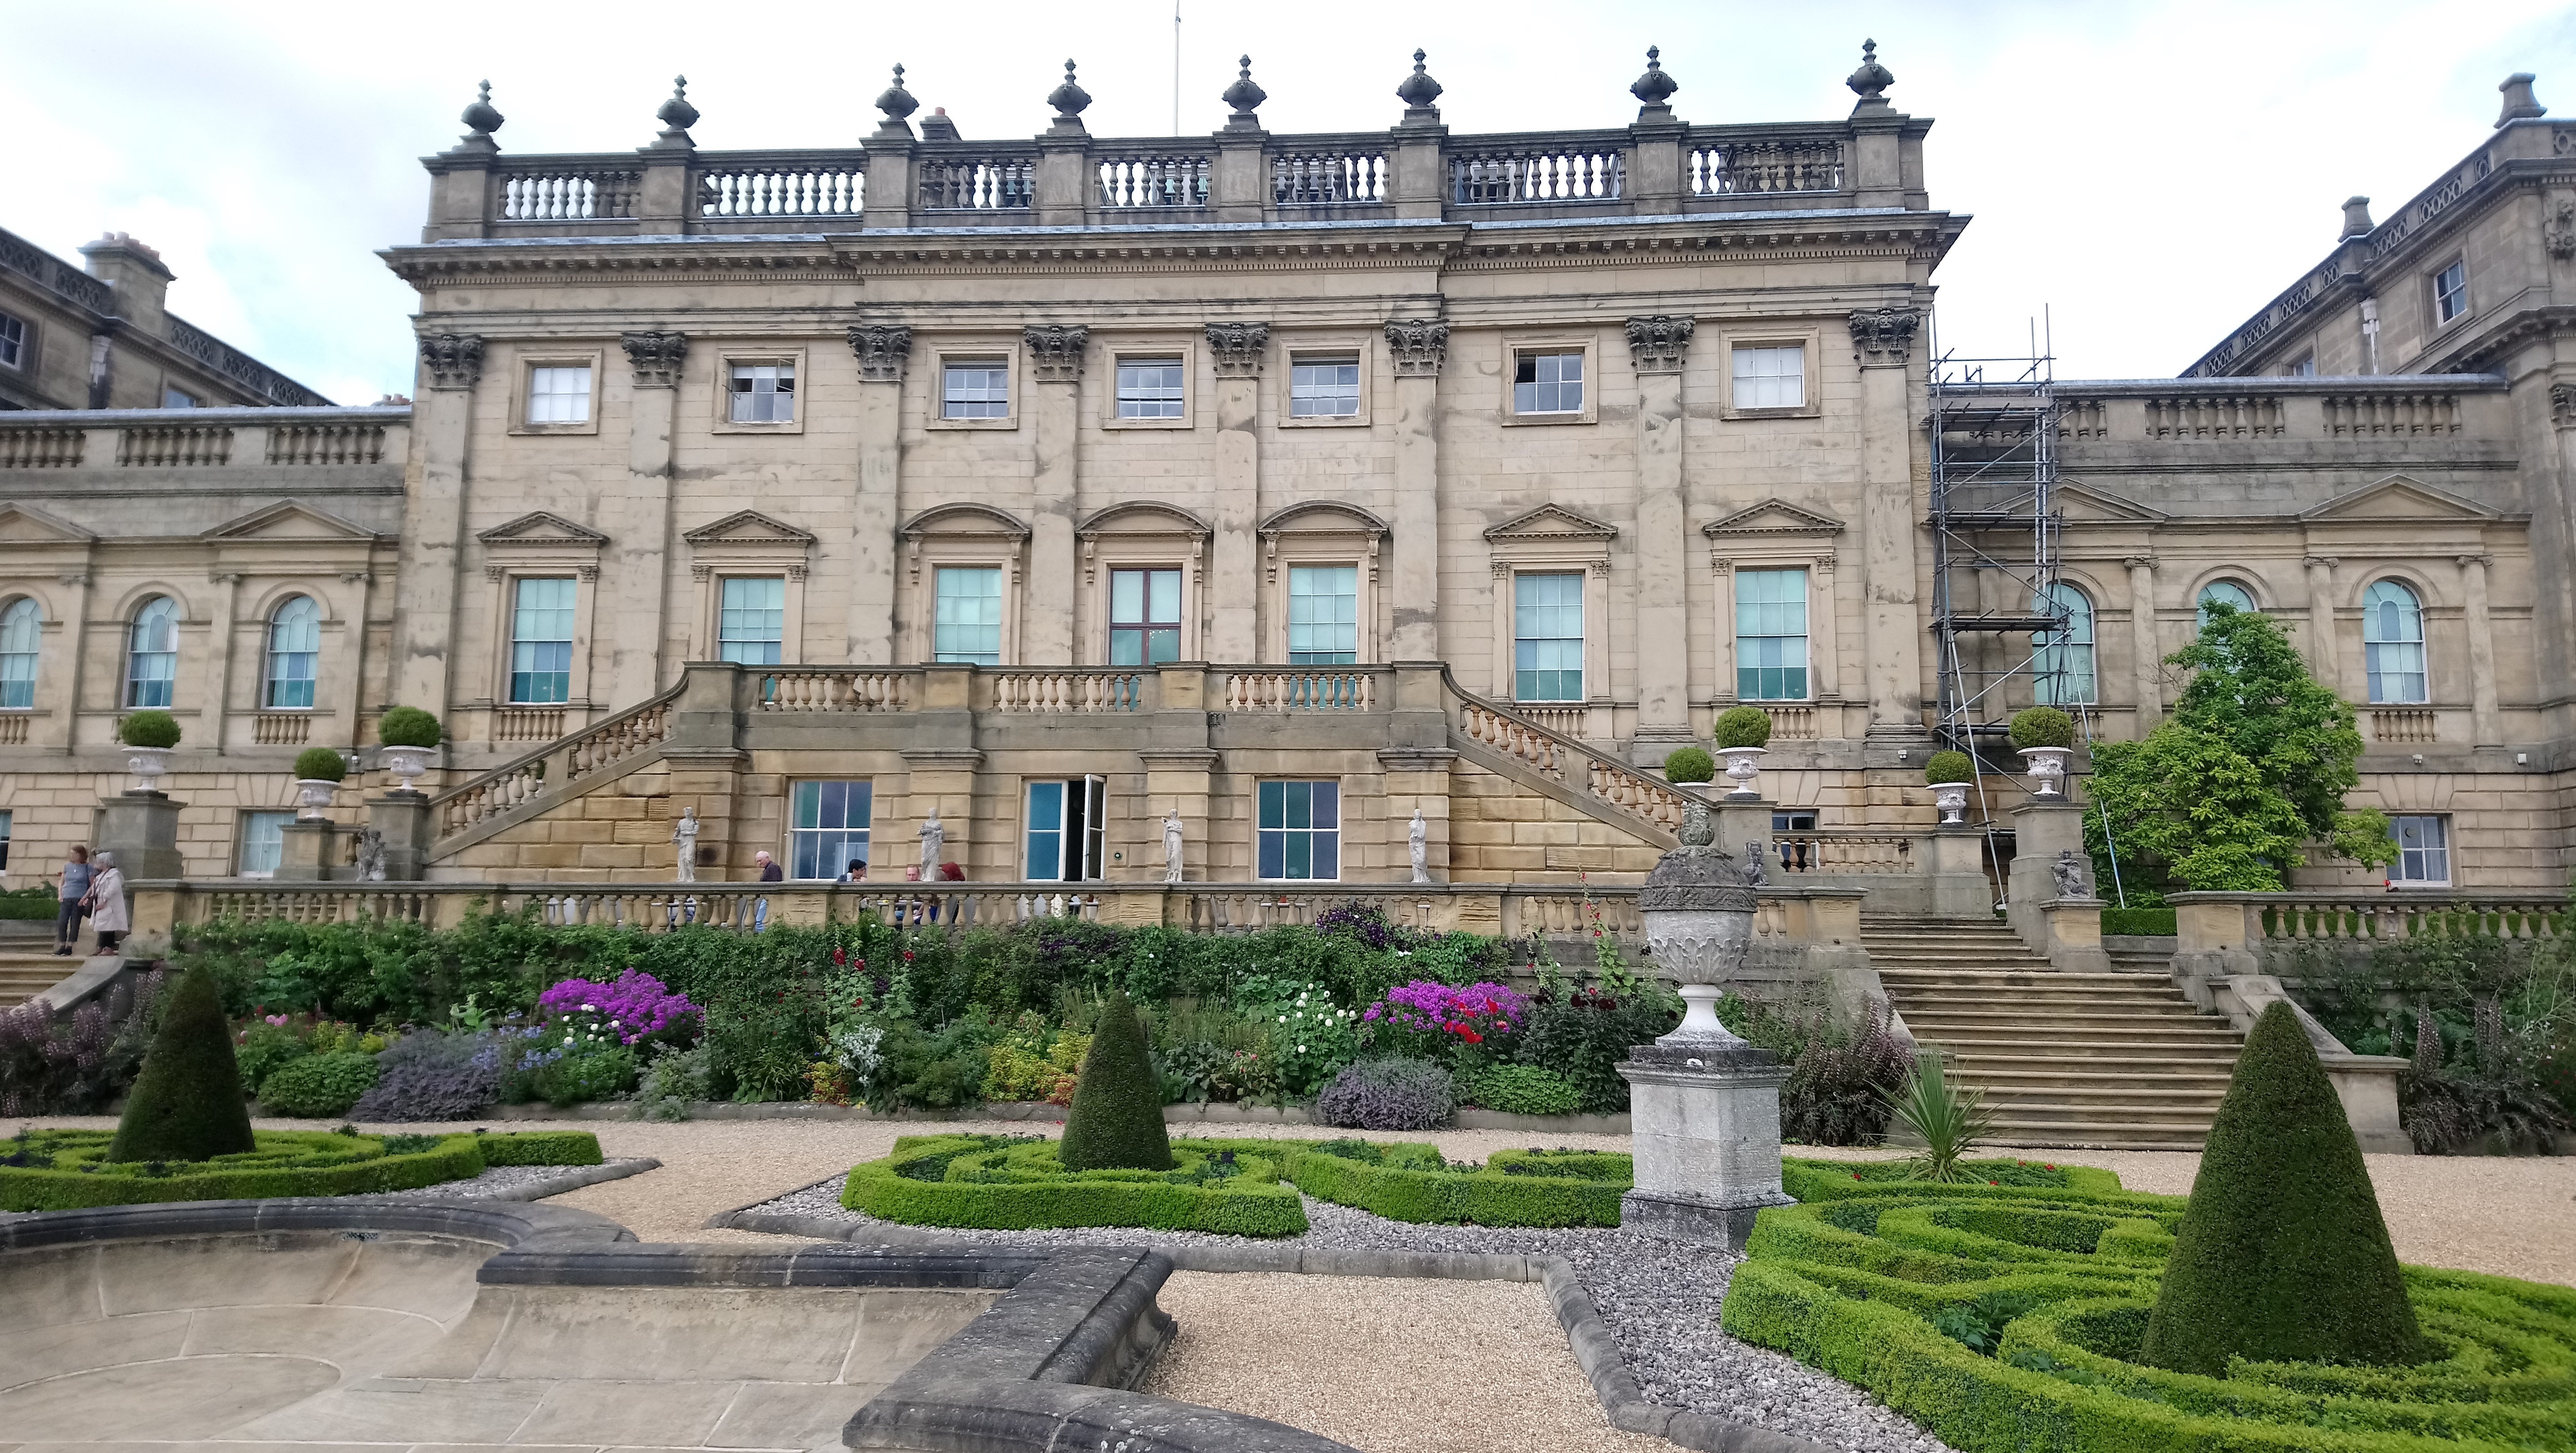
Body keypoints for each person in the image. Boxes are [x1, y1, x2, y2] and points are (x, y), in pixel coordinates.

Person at [84, 850, 128, 957]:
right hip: (100, 904)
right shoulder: (102, 876)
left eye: (99, 862)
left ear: (105, 863)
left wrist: (104, 900)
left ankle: (108, 948)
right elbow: (95, 888)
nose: (97, 864)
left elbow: (114, 888)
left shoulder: (113, 875)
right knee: (102, 927)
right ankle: (102, 947)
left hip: (109, 905)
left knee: (108, 927)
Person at [53, 845, 92, 956]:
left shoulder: (88, 867)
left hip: (79, 897)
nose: (72, 856)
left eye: (75, 854)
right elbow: (62, 881)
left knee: (75, 923)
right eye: (71, 854)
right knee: (62, 922)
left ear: (81, 855)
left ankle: (70, 946)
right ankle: (62, 945)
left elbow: (92, 885)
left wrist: (85, 898)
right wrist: (60, 894)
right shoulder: (68, 866)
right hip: (67, 896)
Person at [752, 849, 782, 932]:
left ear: (767, 858)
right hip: (767, 898)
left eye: (760, 861)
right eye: (758, 861)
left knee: (759, 922)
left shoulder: (773, 868)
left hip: (769, 898)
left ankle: (763, 939)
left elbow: (776, 883)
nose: (759, 863)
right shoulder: (771, 867)